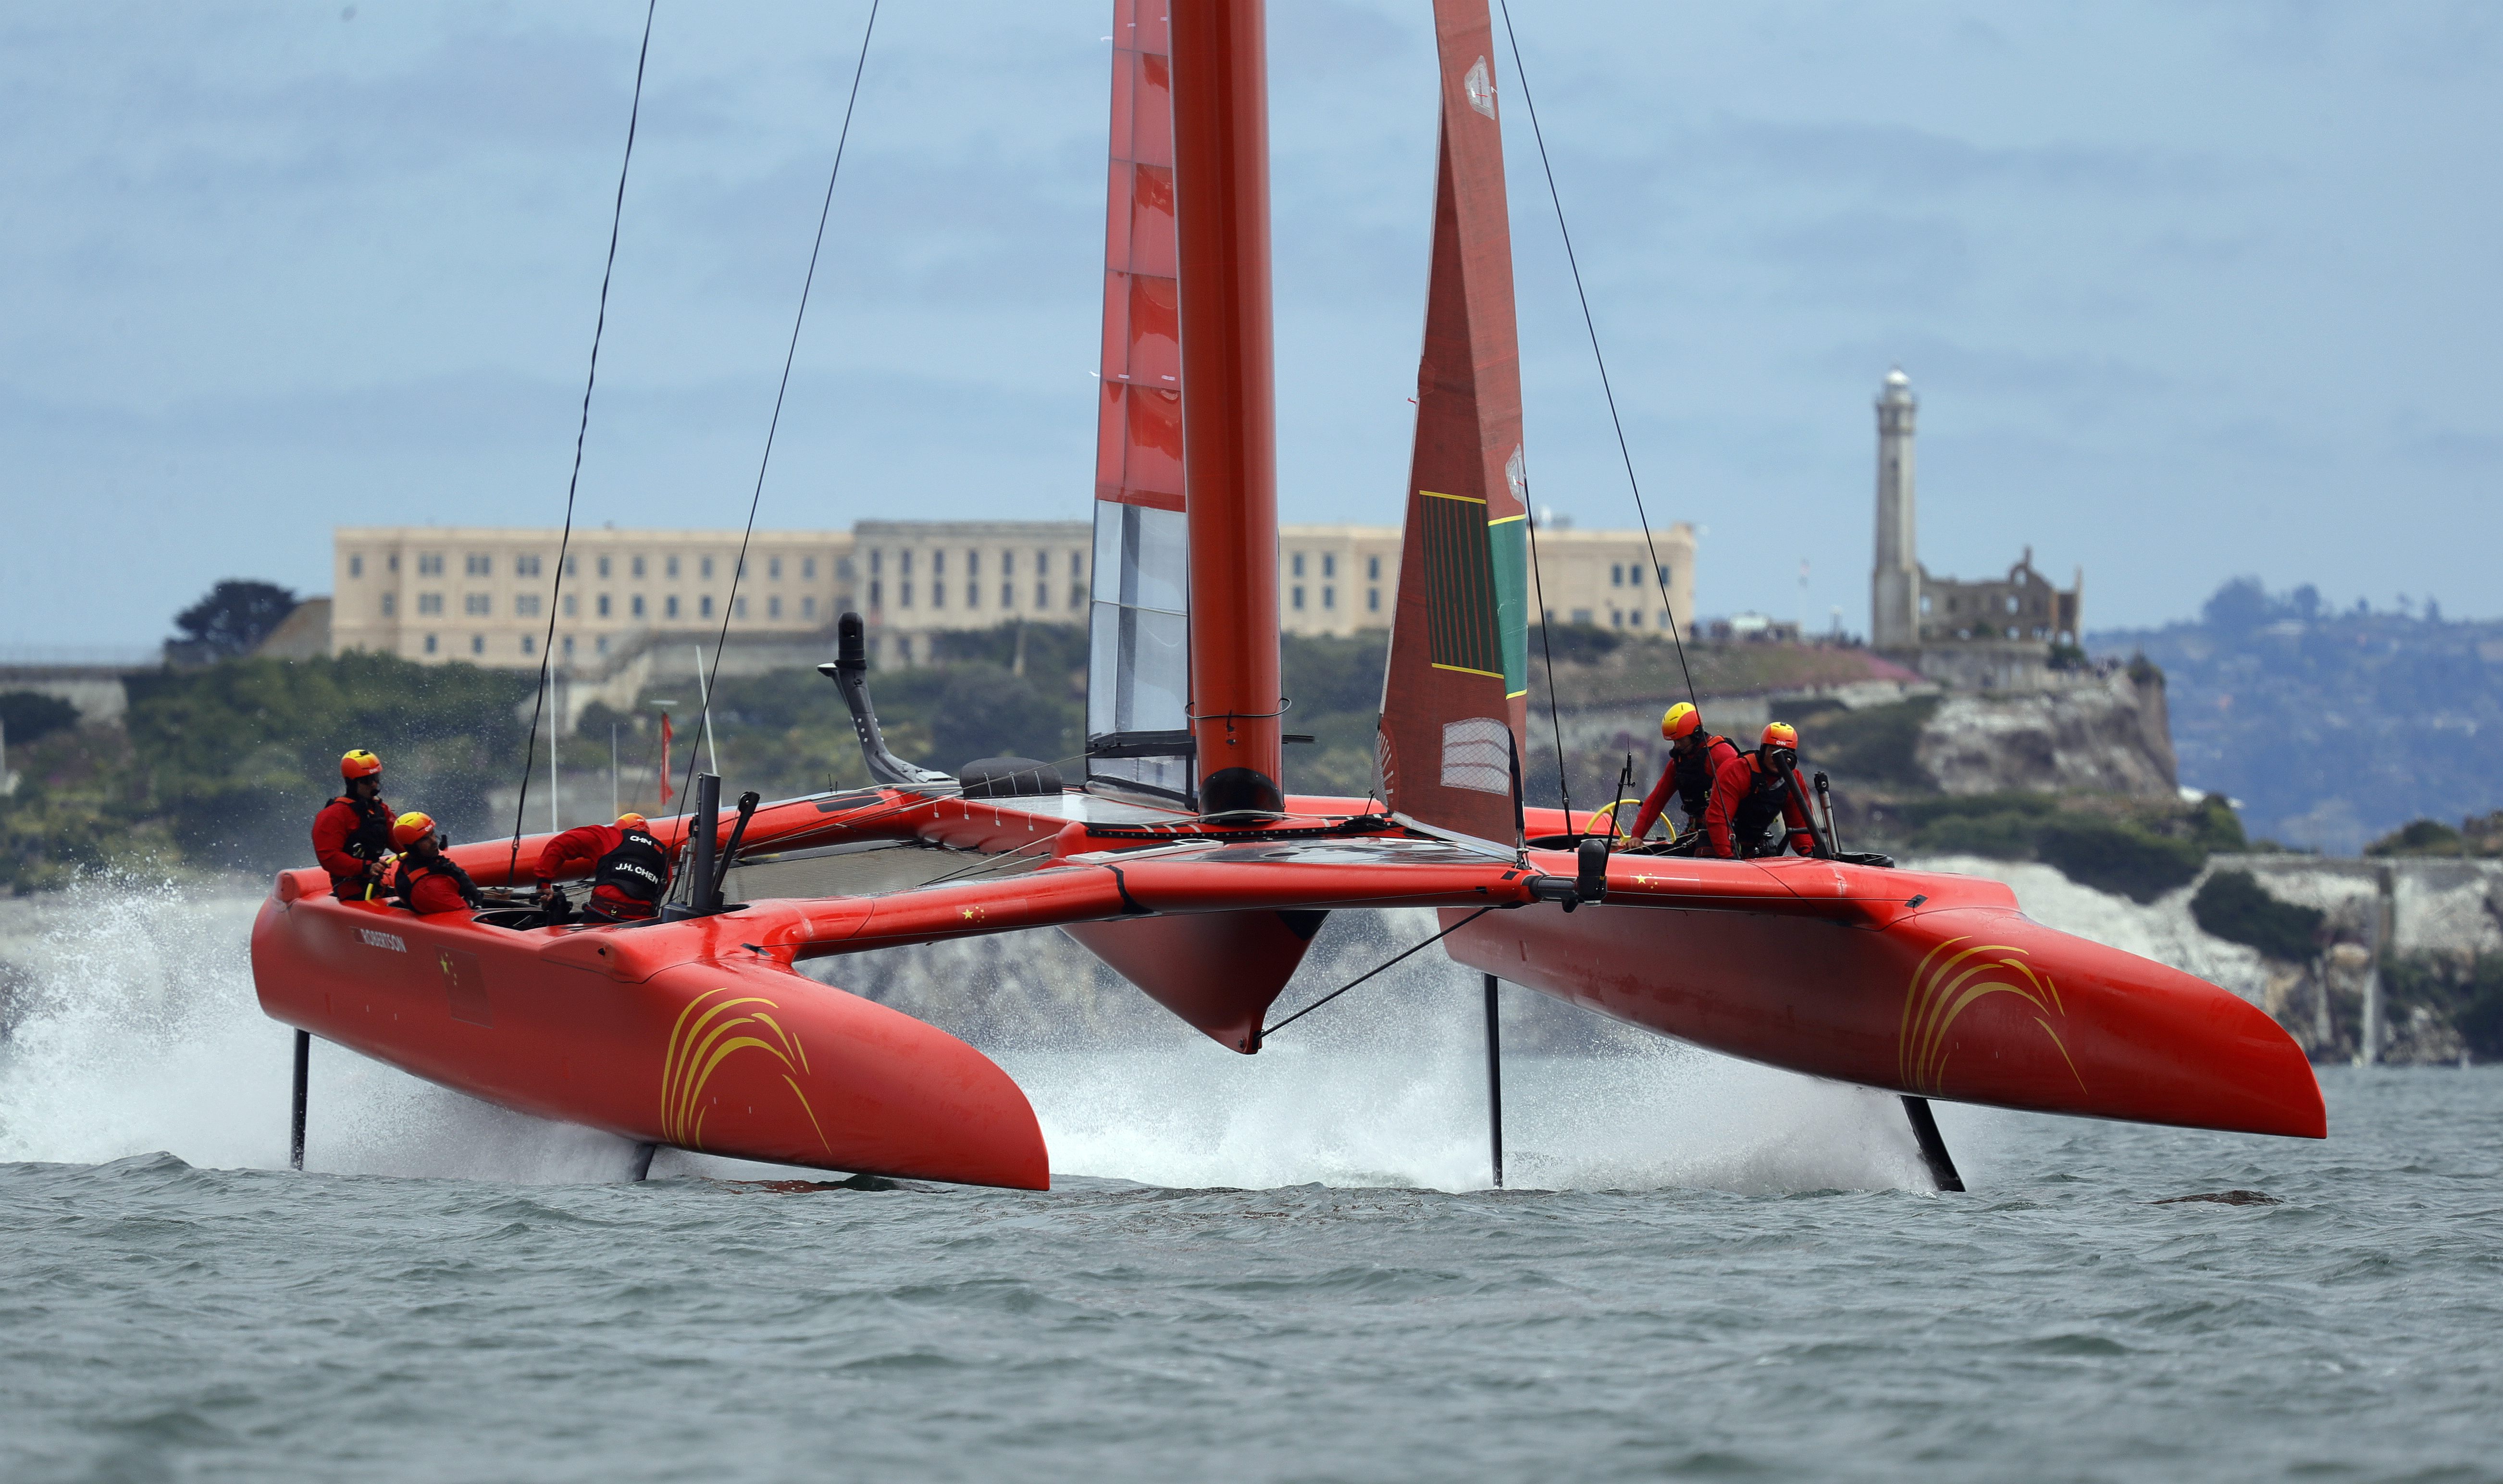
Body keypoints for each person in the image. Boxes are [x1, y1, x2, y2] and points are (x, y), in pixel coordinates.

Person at [1701, 722, 1824, 860]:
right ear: (1763, 749)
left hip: (1756, 846)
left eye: (1785, 754)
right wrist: (1729, 857)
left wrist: (1809, 853)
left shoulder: (1794, 779)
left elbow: (1800, 824)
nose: (1777, 759)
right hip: (1719, 845)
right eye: (1773, 751)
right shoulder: (1737, 770)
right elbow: (1719, 818)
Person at [1625, 702, 1741, 844]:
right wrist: (1637, 835)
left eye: (1680, 740)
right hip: (1696, 829)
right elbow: (1657, 799)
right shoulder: (1678, 762)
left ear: (1696, 733)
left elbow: (1744, 789)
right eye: (1674, 741)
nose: (1677, 746)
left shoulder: (1721, 754)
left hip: (1728, 830)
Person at [533, 812, 671, 923]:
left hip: (604, 909)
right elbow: (663, 887)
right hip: (639, 919)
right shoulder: (663, 854)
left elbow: (561, 844)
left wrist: (544, 882)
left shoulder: (611, 835)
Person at [311, 749, 396, 901]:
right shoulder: (333, 815)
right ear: (351, 783)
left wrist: (422, 842)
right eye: (367, 780)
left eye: (376, 778)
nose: (374, 784)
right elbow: (330, 858)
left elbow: (400, 840)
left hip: (376, 883)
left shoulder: (381, 810)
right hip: (349, 890)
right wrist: (366, 867)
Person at [387, 812, 485, 915]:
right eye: (425, 839)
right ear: (412, 847)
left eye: (432, 833)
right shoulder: (430, 888)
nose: (434, 841)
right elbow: (467, 922)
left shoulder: (410, 865)